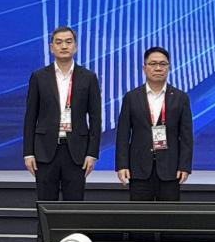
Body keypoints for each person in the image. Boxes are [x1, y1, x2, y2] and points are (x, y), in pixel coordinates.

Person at [22, 26, 101, 201]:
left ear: (75, 47)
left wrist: (92, 153)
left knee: (74, 206)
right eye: (58, 42)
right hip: (45, 151)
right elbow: (30, 117)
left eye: (68, 42)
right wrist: (28, 153)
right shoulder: (39, 77)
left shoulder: (88, 77)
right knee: (46, 204)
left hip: (77, 152)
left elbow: (96, 119)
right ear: (52, 48)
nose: (64, 46)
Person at [115, 46, 193, 200]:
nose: (158, 68)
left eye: (163, 64)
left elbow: (186, 136)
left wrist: (185, 166)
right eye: (153, 64)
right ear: (144, 68)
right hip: (139, 169)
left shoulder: (180, 97)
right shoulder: (131, 97)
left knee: (169, 214)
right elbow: (123, 134)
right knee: (141, 213)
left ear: (169, 67)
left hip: (170, 169)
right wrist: (122, 165)